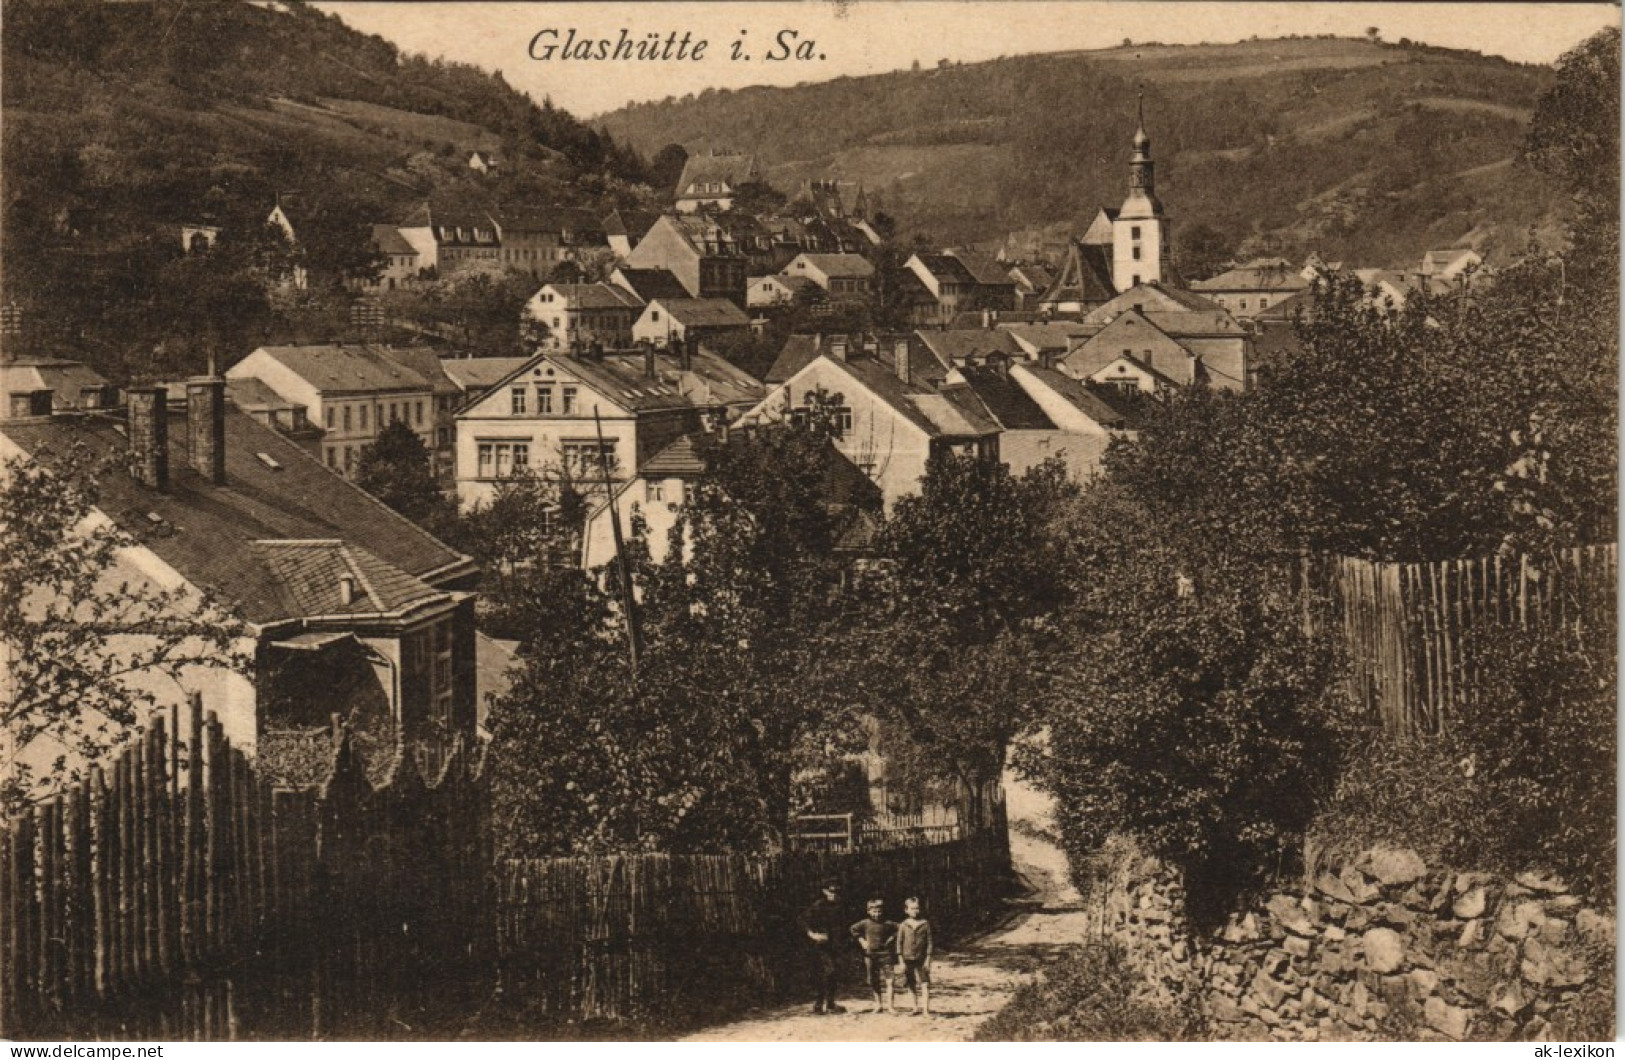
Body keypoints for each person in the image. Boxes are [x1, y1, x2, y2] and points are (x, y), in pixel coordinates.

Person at [799, 879, 846, 1015]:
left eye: (837, 891)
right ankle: (819, 1004)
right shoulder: (818, 905)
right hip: (821, 946)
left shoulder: (839, 906)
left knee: (833, 973)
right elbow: (802, 920)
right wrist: (812, 934)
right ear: (825, 891)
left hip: (834, 944)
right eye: (831, 891)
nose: (834, 894)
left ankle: (830, 1003)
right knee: (826, 972)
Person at [849, 897, 898, 1013]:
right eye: (874, 912)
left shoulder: (887, 923)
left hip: (886, 955)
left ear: (882, 911)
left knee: (890, 980)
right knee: (874, 980)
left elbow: (900, 928)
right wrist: (862, 940)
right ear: (868, 911)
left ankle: (890, 1006)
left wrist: (892, 937)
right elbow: (852, 929)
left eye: (879, 911)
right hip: (870, 955)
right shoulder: (865, 923)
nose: (877, 914)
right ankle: (878, 1004)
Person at [895, 896, 933, 1016]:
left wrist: (928, 959)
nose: (915, 911)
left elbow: (930, 942)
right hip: (907, 958)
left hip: (921, 958)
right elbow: (899, 943)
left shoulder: (925, 924)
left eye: (917, 908)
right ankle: (915, 1007)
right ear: (906, 910)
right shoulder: (903, 925)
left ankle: (926, 1009)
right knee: (911, 983)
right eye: (912, 909)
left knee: (925, 983)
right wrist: (901, 961)